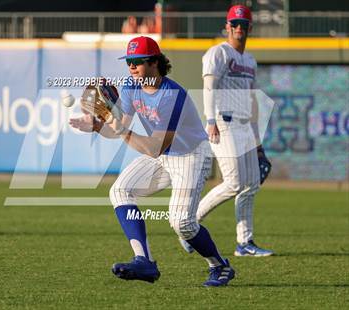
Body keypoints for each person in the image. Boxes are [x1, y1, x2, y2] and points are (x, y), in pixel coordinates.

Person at [69, 36, 235, 286]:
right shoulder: (131, 86)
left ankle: (219, 266)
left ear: (155, 62)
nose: (132, 67)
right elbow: (119, 129)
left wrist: (116, 126)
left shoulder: (171, 95)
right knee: (120, 190)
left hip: (190, 155)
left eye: (137, 61)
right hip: (165, 154)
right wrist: (97, 126)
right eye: (129, 62)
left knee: (183, 223)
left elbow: (154, 148)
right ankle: (144, 261)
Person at [179, 5, 274, 257]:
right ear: (228, 25)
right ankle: (188, 224)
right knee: (233, 183)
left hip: (245, 126)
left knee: (251, 185)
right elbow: (208, 87)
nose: (239, 28)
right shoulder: (218, 52)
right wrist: (210, 120)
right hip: (224, 123)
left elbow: (251, 99)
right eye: (235, 23)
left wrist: (257, 139)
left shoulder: (250, 59)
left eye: (243, 23)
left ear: (250, 28)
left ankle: (245, 243)